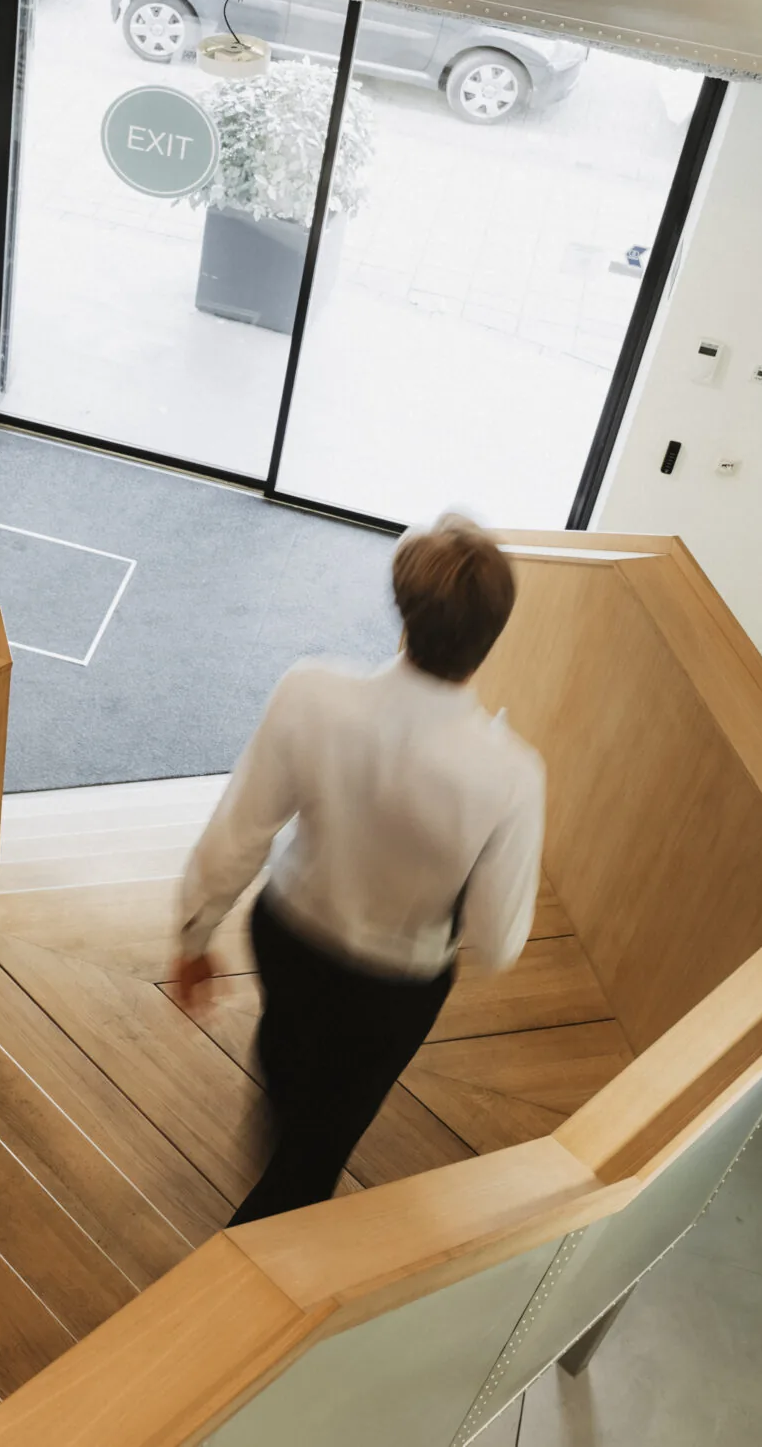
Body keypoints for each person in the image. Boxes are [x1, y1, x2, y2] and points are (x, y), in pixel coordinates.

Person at [171, 515, 545, 1225]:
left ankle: (282, 1148)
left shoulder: (310, 692)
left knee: (286, 1059)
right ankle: (248, 1274)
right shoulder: (513, 775)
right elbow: (498, 942)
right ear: (493, 634)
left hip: (287, 935)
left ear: (402, 609)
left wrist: (194, 935)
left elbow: (238, 831)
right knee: (322, 1144)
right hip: (394, 989)